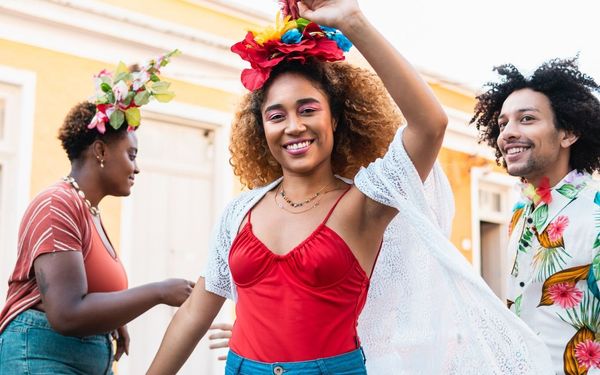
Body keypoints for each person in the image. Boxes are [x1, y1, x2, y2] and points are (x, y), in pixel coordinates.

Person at [148, 1, 554, 374]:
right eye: (276, 115)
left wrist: (353, 22)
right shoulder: (241, 212)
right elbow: (192, 316)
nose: (294, 126)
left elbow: (430, 125)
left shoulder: (365, 203)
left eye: (308, 109)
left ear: (336, 120)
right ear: (261, 129)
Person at [0, 50, 195, 375]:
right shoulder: (57, 204)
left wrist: (112, 321)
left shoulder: (87, 209)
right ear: (101, 151)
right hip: (39, 357)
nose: (137, 168)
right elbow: (66, 313)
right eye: (131, 154)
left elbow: (85, 294)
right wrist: (159, 292)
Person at [471, 57, 600, 375]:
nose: (508, 134)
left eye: (527, 119)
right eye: (502, 124)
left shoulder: (595, 212)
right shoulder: (520, 212)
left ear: (567, 133)